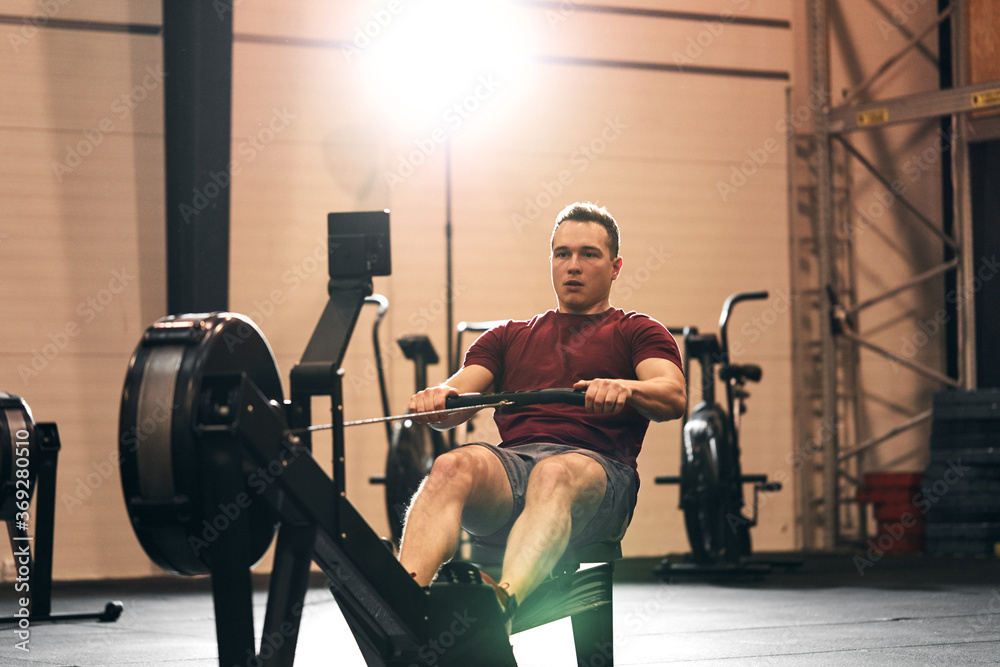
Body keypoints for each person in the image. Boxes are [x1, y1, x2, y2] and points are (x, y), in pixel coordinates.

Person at [397, 201, 686, 626]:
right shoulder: (508, 336)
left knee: (553, 473)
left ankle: (498, 609)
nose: (573, 265)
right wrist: (437, 398)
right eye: (562, 253)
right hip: (516, 468)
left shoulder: (635, 330)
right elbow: (456, 396)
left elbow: (672, 395)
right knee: (452, 464)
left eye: (589, 254)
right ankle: (404, 605)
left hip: (601, 474)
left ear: (615, 266)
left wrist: (625, 387)